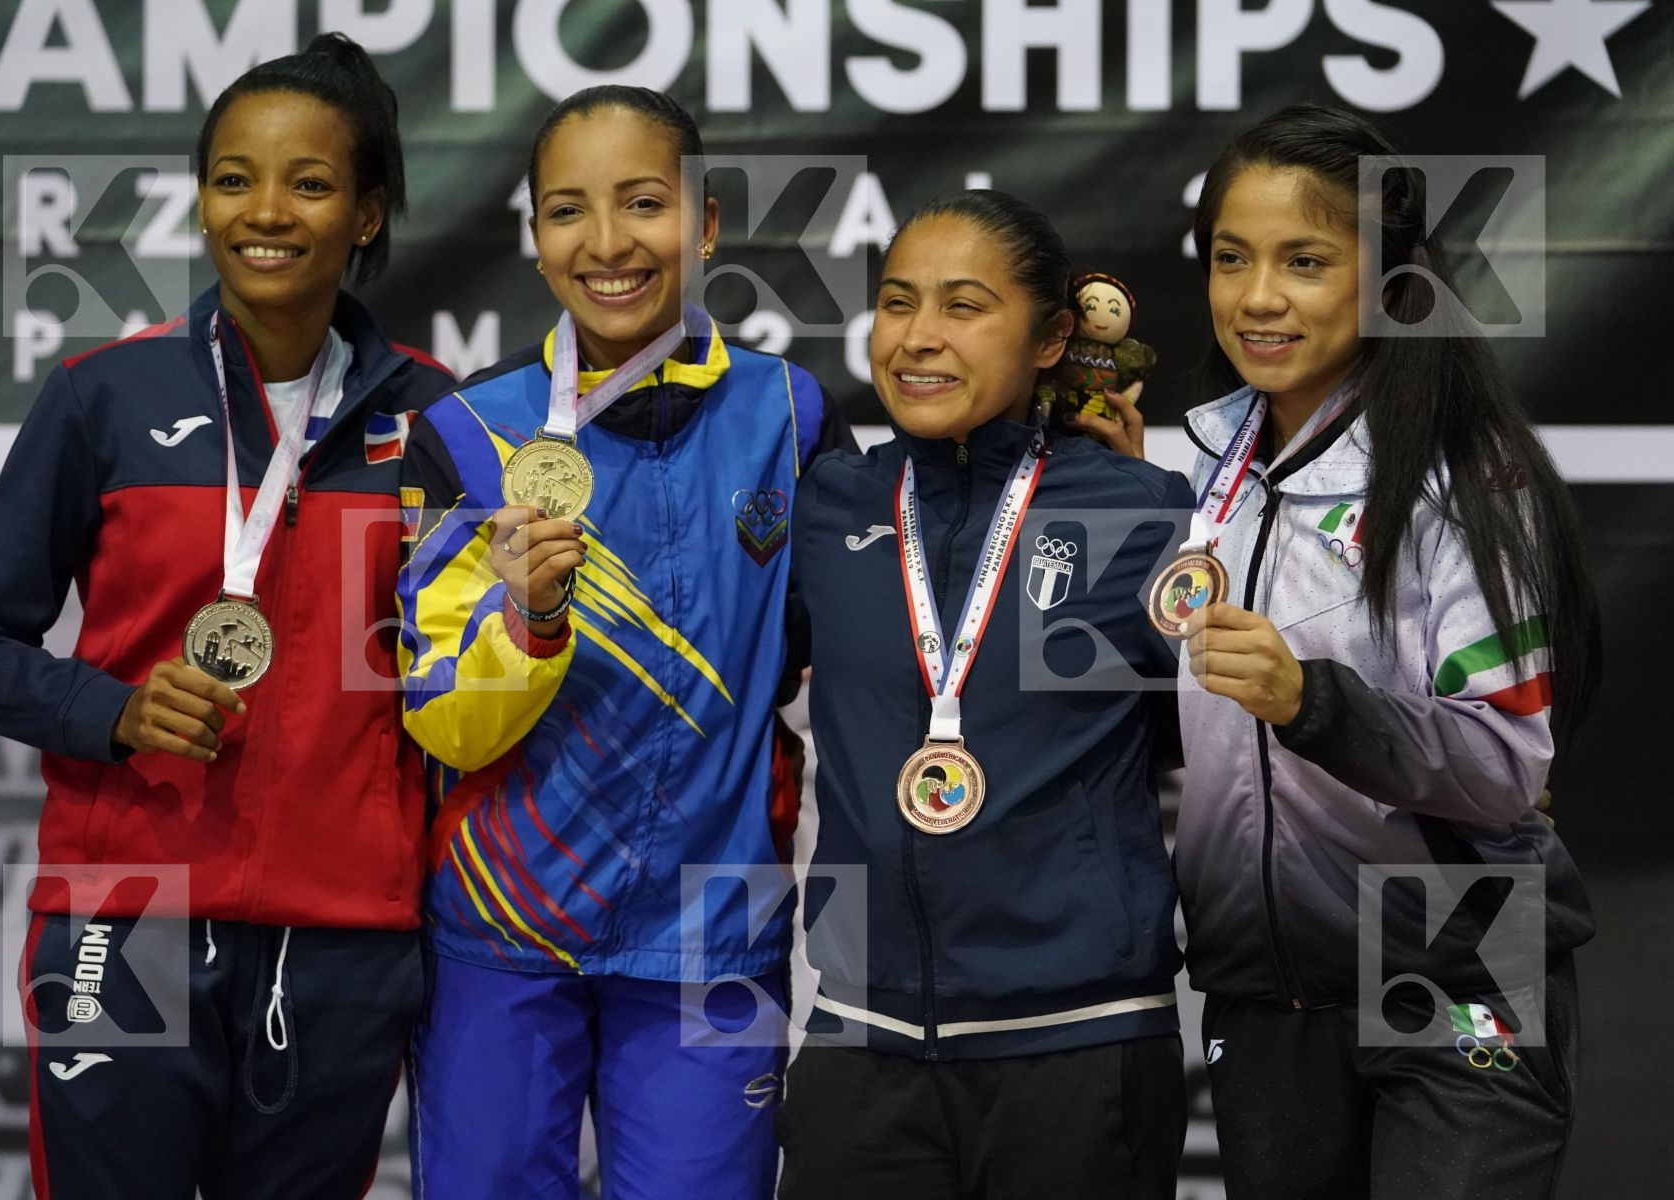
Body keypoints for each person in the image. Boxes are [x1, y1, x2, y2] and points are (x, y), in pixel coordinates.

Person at [0, 33, 450, 1199]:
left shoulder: (441, 421)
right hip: (127, 912)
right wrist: (108, 709)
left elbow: (474, 681)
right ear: (202, 200)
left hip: (343, 933)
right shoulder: (105, 396)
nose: (267, 212)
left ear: (365, 213)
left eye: (310, 183)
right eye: (233, 178)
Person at [1095, 103, 1599, 1199]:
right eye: (1232, 257)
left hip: (1459, 958)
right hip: (1264, 984)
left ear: (1389, 278)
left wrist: (1310, 701)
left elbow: (1506, 764)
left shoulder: (1465, 474)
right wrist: (1124, 497)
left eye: (1306, 261)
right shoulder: (1206, 469)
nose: (1258, 296)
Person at [396, 86, 850, 1199]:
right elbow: (441, 718)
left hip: (713, 929)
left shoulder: (790, 416)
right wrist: (530, 622)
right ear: (536, 235)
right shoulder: (469, 432)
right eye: (568, 211)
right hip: (502, 930)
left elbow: (841, 644)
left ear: (705, 221)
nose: (607, 243)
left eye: (644, 203)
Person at [776, 190, 1193, 1200]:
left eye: (964, 306)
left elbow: (1199, 751)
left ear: (1051, 339)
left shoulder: (1135, 511)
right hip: (861, 1036)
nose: (919, 337)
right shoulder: (831, 504)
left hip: (1079, 1041)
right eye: (898, 302)